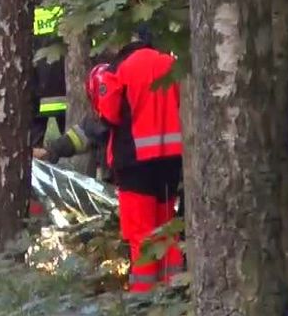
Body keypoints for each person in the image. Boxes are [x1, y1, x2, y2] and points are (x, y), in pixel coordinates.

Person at [34, 27, 183, 293]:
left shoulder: (119, 71)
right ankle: (174, 293)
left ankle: (144, 301)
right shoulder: (169, 63)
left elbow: (105, 122)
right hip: (171, 165)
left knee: (142, 239)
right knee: (167, 233)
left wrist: (54, 149)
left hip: (135, 165)